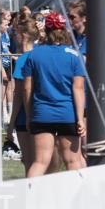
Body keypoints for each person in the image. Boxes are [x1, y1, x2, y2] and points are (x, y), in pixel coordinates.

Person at [22, 12, 86, 177]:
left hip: (42, 113)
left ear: (47, 30)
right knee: (73, 161)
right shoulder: (74, 56)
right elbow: (78, 89)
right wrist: (80, 118)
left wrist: (29, 116)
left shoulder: (34, 54)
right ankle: (80, 199)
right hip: (67, 114)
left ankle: (30, 198)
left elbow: (27, 88)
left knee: (40, 162)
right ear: (64, 29)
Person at [6, 17, 39, 175]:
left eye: (16, 33)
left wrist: (11, 124)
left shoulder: (23, 60)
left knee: (29, 161)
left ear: (24, 35)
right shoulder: (40, 56)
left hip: (25, 117)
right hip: (42, 113)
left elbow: (19, 94)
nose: (14, 36)